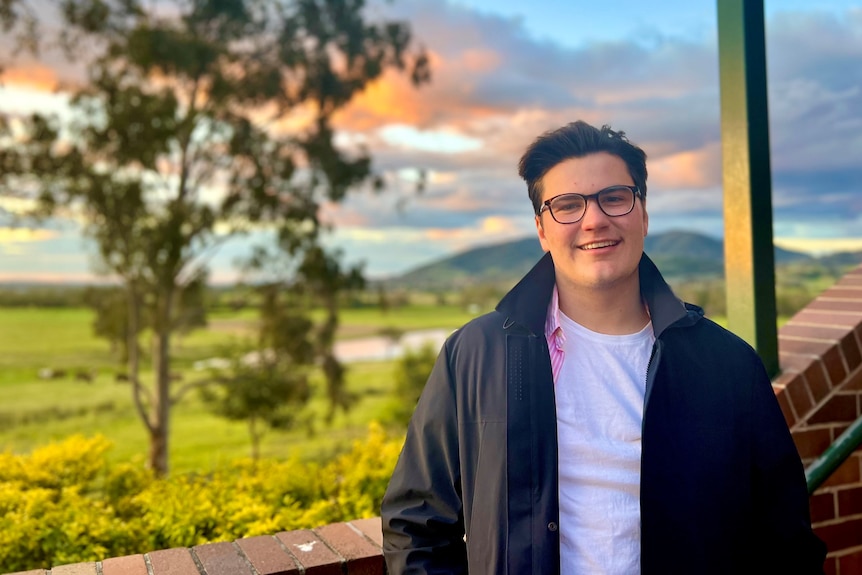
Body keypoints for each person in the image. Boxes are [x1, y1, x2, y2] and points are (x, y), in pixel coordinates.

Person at [380, 120, 827, 574]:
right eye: (567, 205)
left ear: (643, 213)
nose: (594, 220)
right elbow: (416, 524)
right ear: (541, 229)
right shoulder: (475, 356)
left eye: (614, 197)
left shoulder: (728, 365)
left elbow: (784, 541)